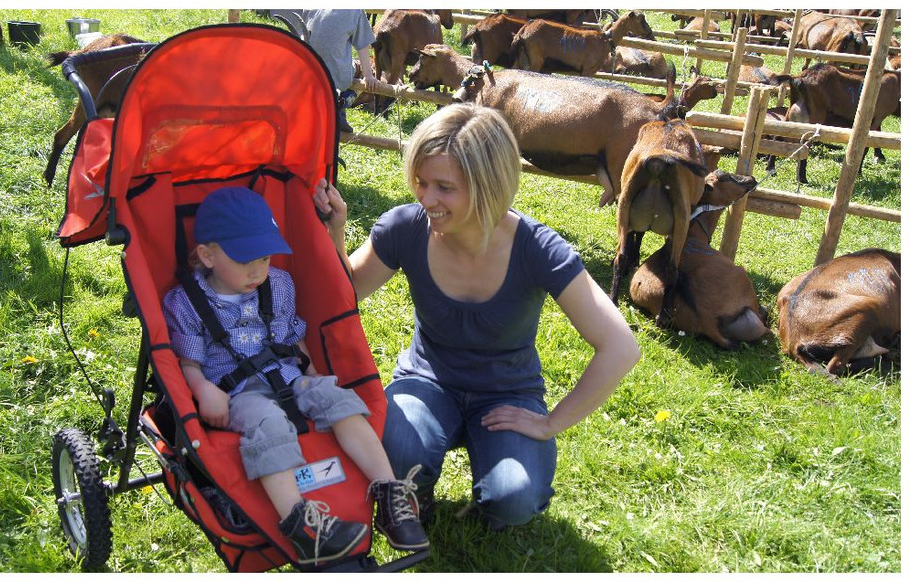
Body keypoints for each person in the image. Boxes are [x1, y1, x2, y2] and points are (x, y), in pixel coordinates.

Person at [313, 103, 641, 531]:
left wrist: (550, 423)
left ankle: (493, 496)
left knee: (514, 498)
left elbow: (620, 347)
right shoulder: (405, 228)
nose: (426, 198)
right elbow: (347, 293)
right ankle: (416, 492)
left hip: (507, 394)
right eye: (421, 182)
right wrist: (336, 233)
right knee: (396, 451)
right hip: (426, 380)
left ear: (488, 185)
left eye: (444, 187)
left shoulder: (537, 248)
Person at [162, 187, 427, 565]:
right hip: (238, 393)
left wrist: (314, 374)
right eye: (246, 260)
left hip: (288, 375)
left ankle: (389, 494)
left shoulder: (278, 284)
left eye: (265, 258)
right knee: (269, 424)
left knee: (338, 399)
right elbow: (188, 362)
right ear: (207, 255)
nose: (258, 270)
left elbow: (292, 337)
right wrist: (203, 390)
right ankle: (302, 526)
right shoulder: (186, 302)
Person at [301, 9, 381, 133]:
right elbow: (362, 45)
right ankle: (342, 105)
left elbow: (303, 37)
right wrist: (368, 75)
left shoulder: (311, 7)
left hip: (310, 73)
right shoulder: (354, 11)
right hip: (337, 77)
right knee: (357, 66)